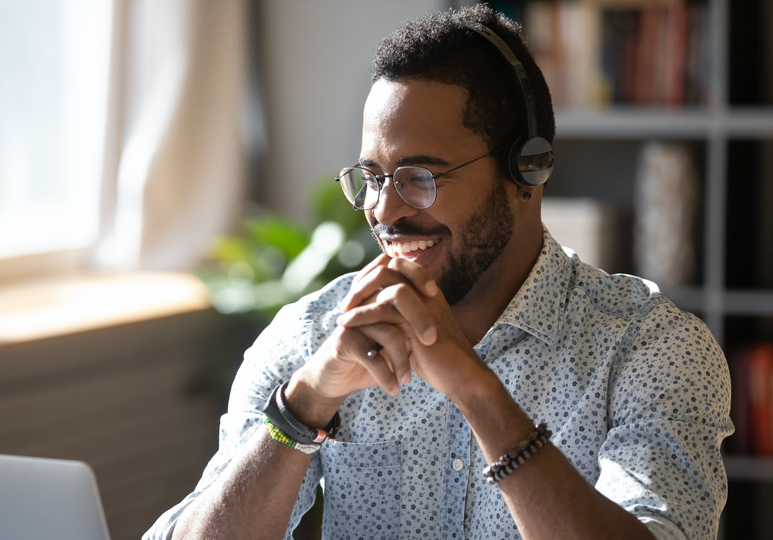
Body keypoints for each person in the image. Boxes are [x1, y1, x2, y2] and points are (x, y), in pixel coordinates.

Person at [145, 5, 733, 540]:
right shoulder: (313, 336)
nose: (385, 209)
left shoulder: (654, 351)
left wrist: (476, 391)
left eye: (420, 177)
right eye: (372, 177)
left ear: (527, 171)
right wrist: (303, 405)